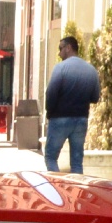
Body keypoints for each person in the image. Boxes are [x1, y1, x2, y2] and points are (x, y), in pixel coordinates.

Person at [43, 34, 100, 174]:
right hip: (81, 119)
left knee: (50, 157)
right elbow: (95, 97)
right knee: (76, 162)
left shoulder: (60, 68)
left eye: (60, 48)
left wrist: (49, 113)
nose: (59, 52)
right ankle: (76, 191)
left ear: (68, 48)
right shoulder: (91, 70)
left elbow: (51, 94)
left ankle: (58, 186)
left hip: (60, 118)